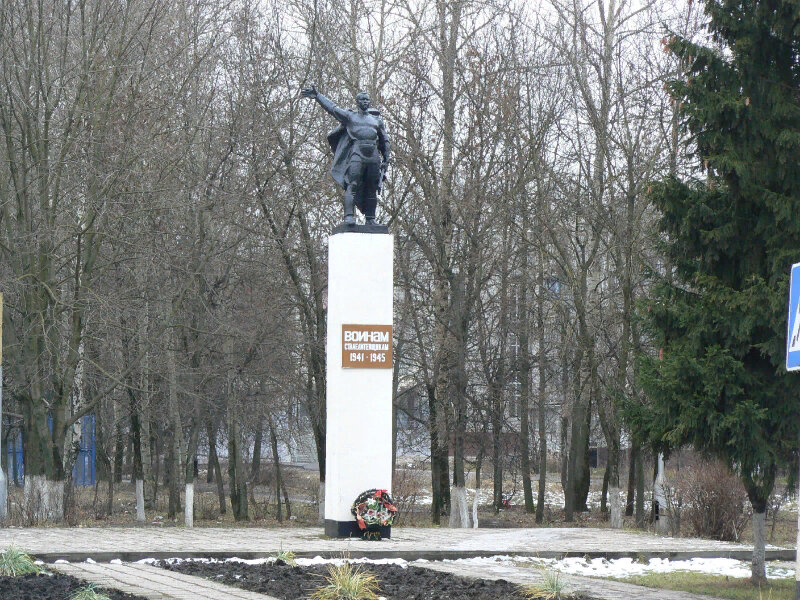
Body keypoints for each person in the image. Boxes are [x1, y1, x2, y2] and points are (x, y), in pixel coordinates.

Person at [301, 86, 391, 225]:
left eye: (367, 100)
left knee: (372, 187)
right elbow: (333, 108)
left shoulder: (377, 121)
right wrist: (318, 96)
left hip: (373, 156)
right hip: (357, 153)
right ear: (357, 102)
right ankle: (349, 216)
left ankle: (371, 219)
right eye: (363, 99)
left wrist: (386, 157)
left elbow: (384, 140)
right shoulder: (350, 117)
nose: (366, 102)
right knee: (352, 184)